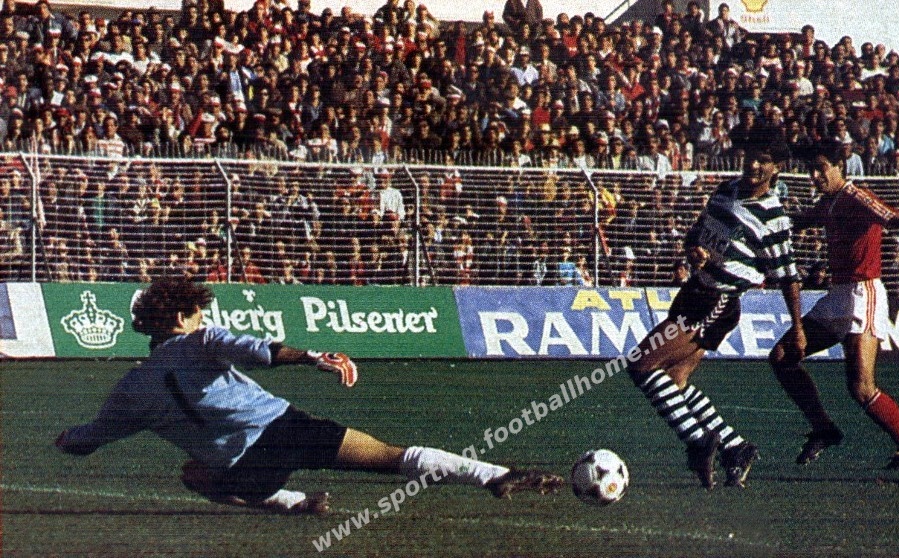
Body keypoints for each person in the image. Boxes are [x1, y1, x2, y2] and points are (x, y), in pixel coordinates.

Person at [55, 277, 563, 514]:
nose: (202, 320)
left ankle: (296, 504)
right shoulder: (202, 340)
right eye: (198, 314)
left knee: (195, 475)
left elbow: (90, 439)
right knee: (390, 457)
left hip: (245, 469)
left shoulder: (130, 390)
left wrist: (68, 439)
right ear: (182, 318)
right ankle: (494, 475)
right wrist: (314, 356)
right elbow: (259, 349)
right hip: (285, 427)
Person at [769, 139, 899, 471]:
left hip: (864, 295)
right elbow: (796, 222)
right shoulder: (829, 203)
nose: (814, 176)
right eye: (811, 170)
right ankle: (824, 429)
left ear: (840, 167)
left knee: (861, 387)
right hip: (837, 296)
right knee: (782, 356)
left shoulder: (856, 197)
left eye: (820, 169)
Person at [624, 129, 806, 489]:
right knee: (675, 380)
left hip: (717, 301)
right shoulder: (726, 190)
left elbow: (788, 277)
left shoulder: (773, 217)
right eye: (751, 157)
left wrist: (798, 329)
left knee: (641, 364)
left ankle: (698, 442)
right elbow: (697, 232)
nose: (754, 165)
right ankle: (735, 448)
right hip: (695, 291)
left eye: (764, 160)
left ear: (776, 168)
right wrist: (694, 250)